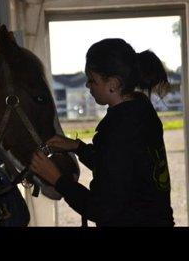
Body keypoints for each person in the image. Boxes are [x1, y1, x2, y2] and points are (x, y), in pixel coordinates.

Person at [30, 38, 175, 227]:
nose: (88, 85)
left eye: (92, 79)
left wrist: (57, 180)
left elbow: (101, 209)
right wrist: (78, 147)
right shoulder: (141, 112)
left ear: (113, 84)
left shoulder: (118, 129)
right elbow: (120, 169)